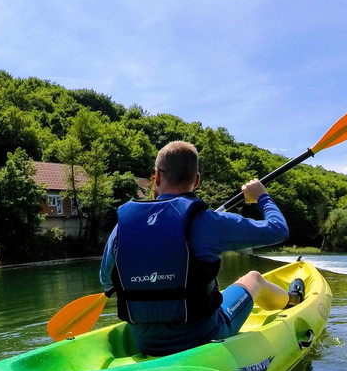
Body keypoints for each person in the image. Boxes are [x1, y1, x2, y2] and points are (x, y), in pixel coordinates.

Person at [100, 140, 304, 356]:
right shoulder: (207, 222)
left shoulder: (121, 228)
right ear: (196, 181)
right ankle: (293, 300)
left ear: (157, 177)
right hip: (204, 337)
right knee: (253, 278)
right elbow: (278, 230)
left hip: (146, 342)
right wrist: (262, 196)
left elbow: (106, 281)